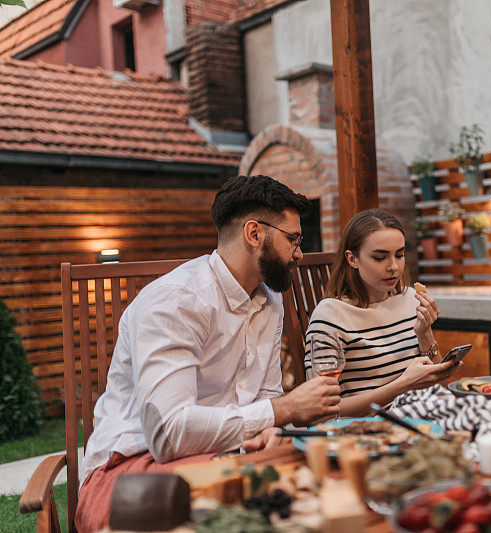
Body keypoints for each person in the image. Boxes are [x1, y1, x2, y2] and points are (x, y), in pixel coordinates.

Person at [76, 176, 340, 531]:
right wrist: (283, 410)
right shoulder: (177, 301)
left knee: (310, 486)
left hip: (224, 456)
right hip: (134, 471)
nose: (299, 253)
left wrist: (267, 428)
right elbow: (168, 434)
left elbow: (265, 396)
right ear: (254, 234)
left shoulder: (269, 299)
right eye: (292, 239)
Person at [304, 208, 460, 418]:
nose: (394, 267)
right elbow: (320, 412)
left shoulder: (410, 299)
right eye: (380, 257)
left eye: (400, 254)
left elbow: (440, 386)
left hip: (419, 420)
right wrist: (403, 384)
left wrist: (424, 334)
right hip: (366, 432)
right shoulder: (330, 316)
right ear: (352, 259)